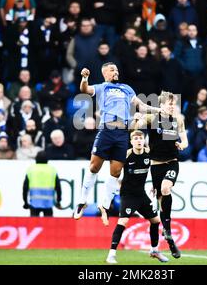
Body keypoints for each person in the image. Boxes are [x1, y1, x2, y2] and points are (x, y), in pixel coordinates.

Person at [73, 63, 163, 224]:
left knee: (116, 172)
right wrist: (85, 78)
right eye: (112, 70)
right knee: (94, 167)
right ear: (105, 73)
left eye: (117, 69)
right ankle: (82, 201)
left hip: (122, 134)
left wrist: (158, 110)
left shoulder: (127, 88)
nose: (116, 72)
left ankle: (105, 206)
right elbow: (84, 90)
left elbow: (141, 106)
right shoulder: (103, 87)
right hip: (106, 131)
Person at [133, 91, 188, 259]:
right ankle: (169, 238)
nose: (172, 107)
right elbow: (136, 129)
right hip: (155, 166)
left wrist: (182, 144)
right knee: (161, 201)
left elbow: (185, 139)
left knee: (166, 188)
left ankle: (168, 230)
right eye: (170, 104)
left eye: (174, 104)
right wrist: (137, 120)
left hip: (172, 162)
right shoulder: (152, 118)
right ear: (162, 105)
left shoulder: (178, 120)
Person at [106, 130, 168, 264]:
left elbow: (157, 168)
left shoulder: (149, 153)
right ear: (132, 141)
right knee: (123, 221)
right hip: (128, 195)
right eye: (136, 138)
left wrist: (156, 184)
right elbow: (115, 170)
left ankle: (154, 250)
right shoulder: (126, 154)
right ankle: (111, 255)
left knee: (156, 221)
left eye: (141, 138)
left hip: (141, 194)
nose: (139, 140)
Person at [23, 151, 62, 217]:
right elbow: (58, 187)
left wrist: (25, 202)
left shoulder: (31, 169)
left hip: (34, 203)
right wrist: (58, 201)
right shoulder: (52, 170)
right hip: (48, 203)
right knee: (49, 226)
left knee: (34, 225)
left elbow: (25, 187)